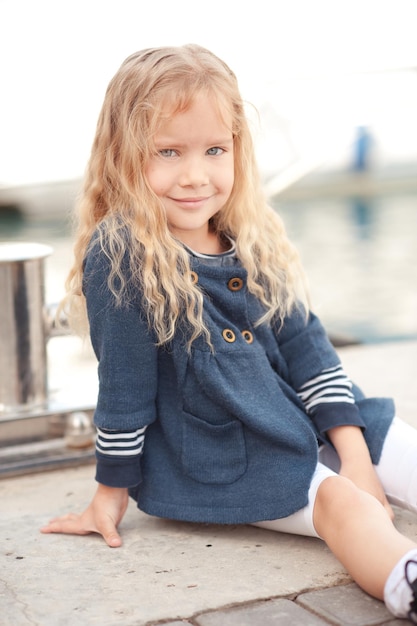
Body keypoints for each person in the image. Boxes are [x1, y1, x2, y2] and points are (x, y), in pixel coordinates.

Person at [41, 44, 417, 622]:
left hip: (298, 415)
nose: (196, 175)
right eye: (168, 151)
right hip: (228, 458)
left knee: (403, 453)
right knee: (346, 508)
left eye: (215, 149)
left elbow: (306, 347)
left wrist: (355, 453)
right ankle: (406, 583)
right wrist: (110, 494)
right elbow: (125, 388)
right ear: (123, 156)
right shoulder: (122, 253)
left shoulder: (247, 231)